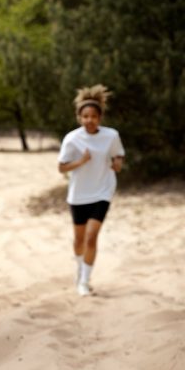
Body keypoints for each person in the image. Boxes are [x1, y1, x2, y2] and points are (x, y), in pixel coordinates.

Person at [57, 84, 125, 297]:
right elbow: (62, 167)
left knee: (91, 237)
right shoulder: (72, 139)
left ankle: (84, 282)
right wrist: (82, 161)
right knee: (78, 240)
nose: (89, 120)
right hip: (78, 195)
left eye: (93, 116)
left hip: (102, 191)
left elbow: (118, 156)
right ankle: (80, 271)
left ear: (100, 117)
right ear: (79, 117)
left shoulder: (111, 135)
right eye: (85, 116)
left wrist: (117, 164)